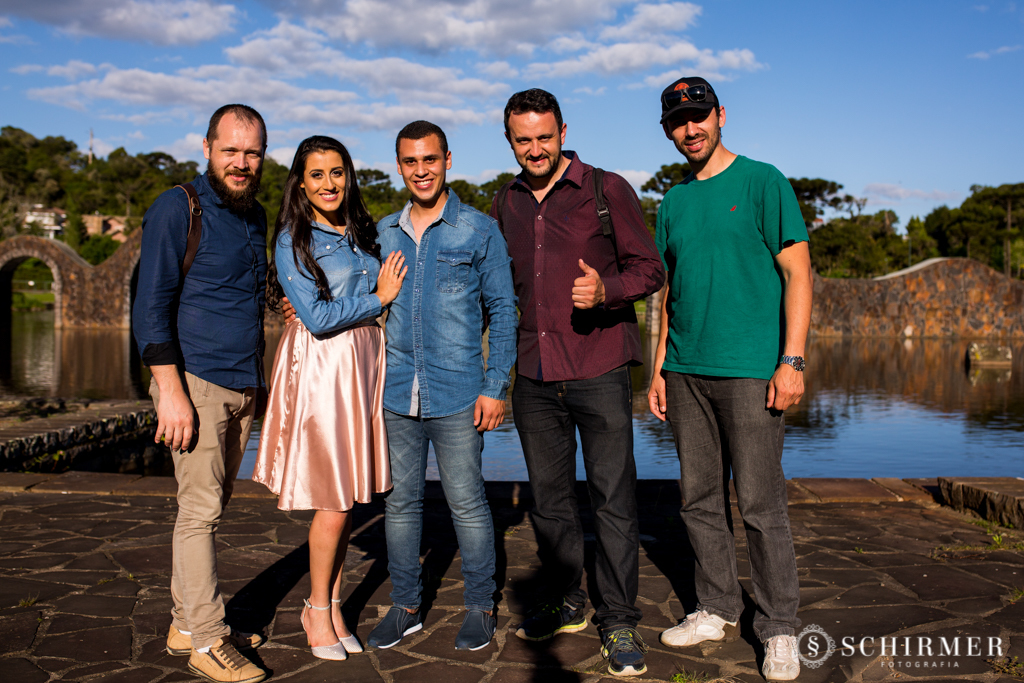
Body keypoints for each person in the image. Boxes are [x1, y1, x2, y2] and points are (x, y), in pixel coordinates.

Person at [492, 89, 665, 677]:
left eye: (544, 136)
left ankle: (618, 621)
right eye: (523, 139)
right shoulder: (506, 202)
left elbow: (650, 267)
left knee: (613, 500)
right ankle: (568, 600)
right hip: (534, 375)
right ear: (509, 140)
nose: (535, 149)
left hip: (598, 368)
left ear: (563, 131)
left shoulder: (604, 188)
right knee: (549, 501)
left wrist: (607, 291)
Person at [646, 77, 812, 682]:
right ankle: (715, 606)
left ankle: (780, 627)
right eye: (678, 122)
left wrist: (791, 361)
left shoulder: (763, 181)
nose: (691, 129)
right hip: (687, 370)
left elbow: (799, 273)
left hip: (751, 372)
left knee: (763, 505)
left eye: (699, 117)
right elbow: (670, 292)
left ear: (720, 115)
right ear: (668, 130)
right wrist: (662, 366)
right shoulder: (673, 203)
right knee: (699, 500)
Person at [365, 120, 518, 653]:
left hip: (459, 391)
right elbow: (354, 295)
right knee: (401, 505)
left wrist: (495, 384)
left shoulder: (478, 230)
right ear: (400, 166)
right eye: (410, 161)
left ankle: (481, 605)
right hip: (397, 391)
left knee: (467, 504)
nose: (421, 170)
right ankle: (405, 605)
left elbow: (503, 309)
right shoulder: (382, 232)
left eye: (430, 159)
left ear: (447, 160)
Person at [253, 136, 406, 661]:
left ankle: (333, 605)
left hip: (361, 364)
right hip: (325, 369)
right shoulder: (294, 240)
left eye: (337, 172)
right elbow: (316, 319)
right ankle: (316, 609)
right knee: (336, 502)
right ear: (300, 182)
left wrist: (377, 303)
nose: (329, 184)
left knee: (347, 499)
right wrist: (378, 300)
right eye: (317, 175)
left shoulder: (361, 230)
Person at [133, 104, 270, 683]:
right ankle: (208, 642)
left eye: (252, 152)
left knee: (209, 510)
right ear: (208, 147)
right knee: (199, 513)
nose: (241, 163)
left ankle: (186, 622)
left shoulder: (254, 215)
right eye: (231, 150)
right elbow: (150, 302)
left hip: (242, 383)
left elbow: (245, 292)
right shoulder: (177, 206)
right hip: (196, 382)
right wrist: (170, 390)